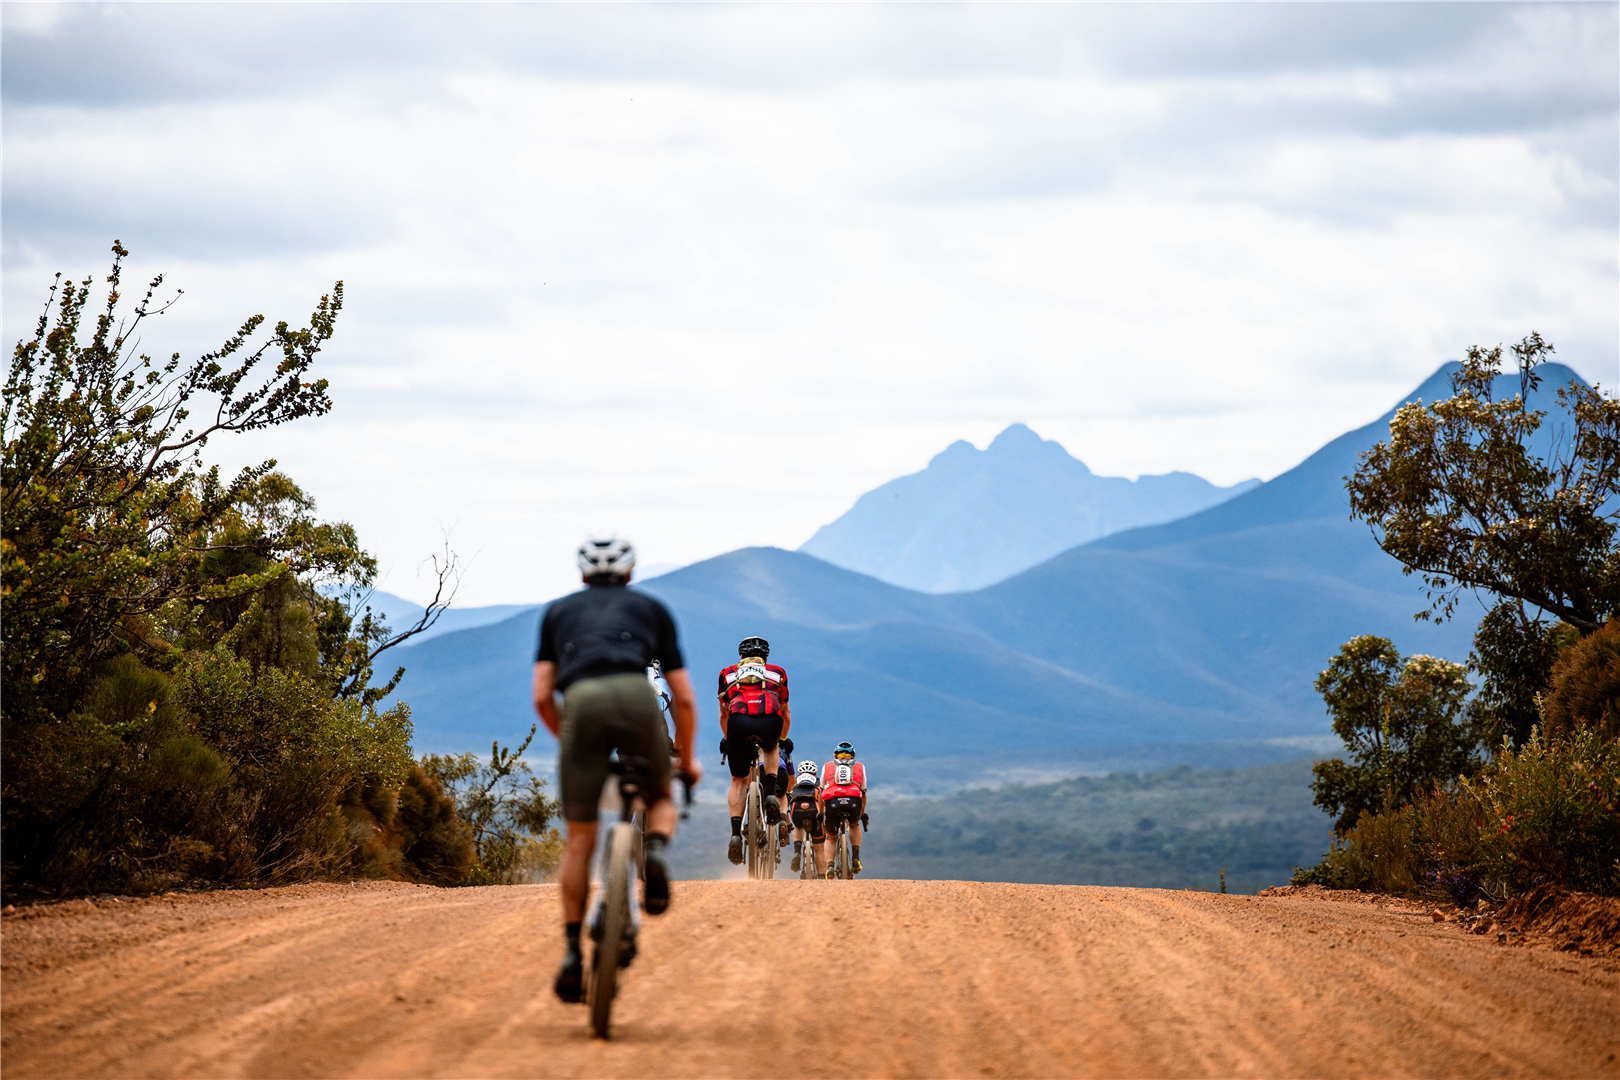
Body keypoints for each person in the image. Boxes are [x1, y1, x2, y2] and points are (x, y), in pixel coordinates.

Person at [532, 536, 702, 1004]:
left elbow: (543, 695)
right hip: (637, 699)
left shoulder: (557, 613)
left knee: (580, 839)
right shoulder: (652, 609)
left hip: (581, 705)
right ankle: (657, 850)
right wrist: (686, 762)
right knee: (661, 796)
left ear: (582, 574)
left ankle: (572, 953)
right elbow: (685, 699)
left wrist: (569, 741)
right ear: (630, 573)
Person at [716, 636, 791, 865]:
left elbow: (723, 714)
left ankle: (735, 835)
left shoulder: (726, 673)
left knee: (738, 781)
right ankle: (771, 794)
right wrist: (783, 738)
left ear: (741, 657)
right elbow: (785, 713)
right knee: (772, 747)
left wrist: (728, 739)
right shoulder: (777, 672)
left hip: (738, 723)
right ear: (766, 657)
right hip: (769, 721)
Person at [819, 741, 867, 876]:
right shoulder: (860, 767)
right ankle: (855, 858)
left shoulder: (826, 766)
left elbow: (821, 792)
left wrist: (820, 813)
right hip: (854, 802)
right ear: (853, 756)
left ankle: (829, 867)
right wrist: (863, 814)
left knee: (830, 837)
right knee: (854, 825)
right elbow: (863, 793)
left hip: (832, 803)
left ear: (835, 755)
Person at [786, 759, 824, 874]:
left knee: (798, 826)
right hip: (814, 811)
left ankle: (797, 851)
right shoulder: (819, 783)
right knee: (819, 849)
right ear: (815, 773)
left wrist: (787, 821)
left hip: (796, 811)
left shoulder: (794, 783)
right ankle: (822, 877)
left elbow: (787, 801)